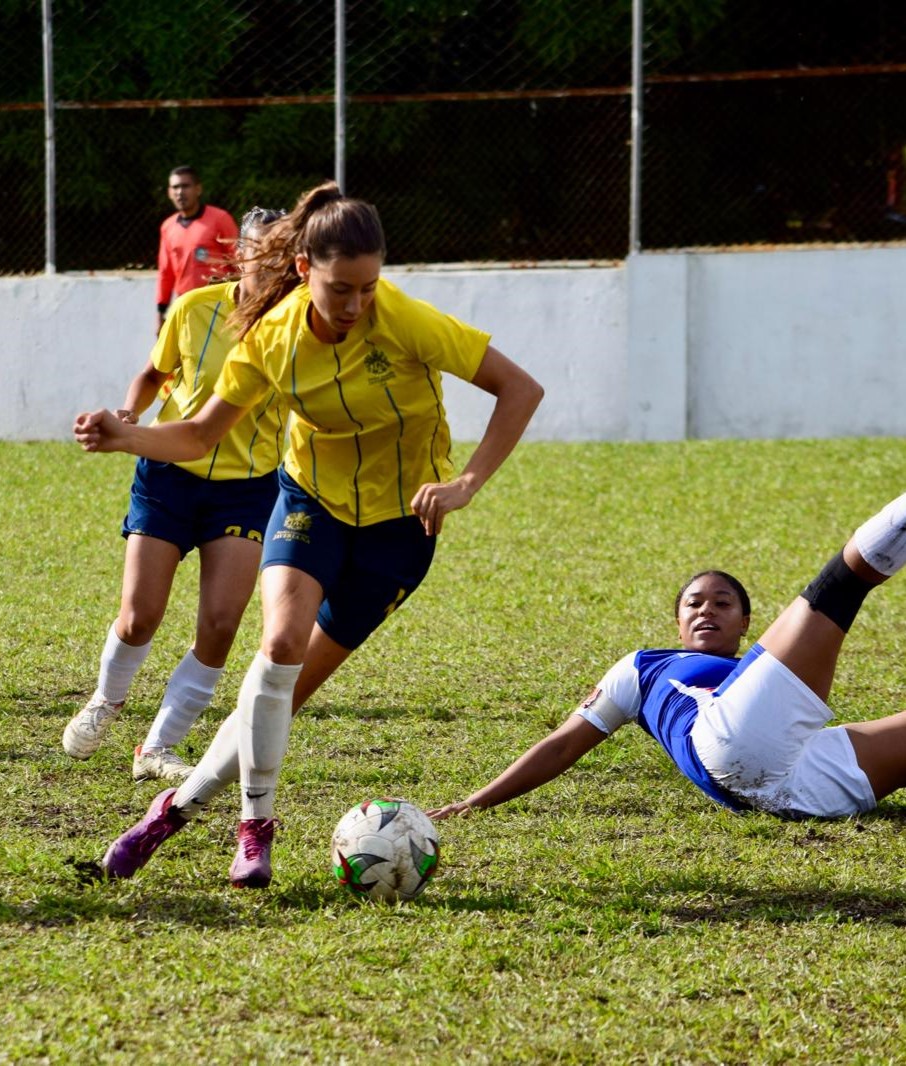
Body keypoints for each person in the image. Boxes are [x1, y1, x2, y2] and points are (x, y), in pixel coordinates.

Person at [74, 180, 545, 888]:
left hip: (399, 531)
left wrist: (465, 482)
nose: (356, 305)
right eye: (339, 289)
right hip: (311, 503)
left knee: (280, 694)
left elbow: (521, 388)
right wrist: (125, 437)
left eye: (368, 287)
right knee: (278, 645)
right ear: (303, 271)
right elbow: (202, 432)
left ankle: (167, 813)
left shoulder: (408, 322)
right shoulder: (271, 337)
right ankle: (254, 828)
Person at [428, 491, 906, 824]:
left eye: (723, 604)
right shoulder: (642, 668)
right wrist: (474, 802)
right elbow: (561, 746)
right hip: (730, 750)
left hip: (807, 797)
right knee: (841, 582)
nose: (706, 611)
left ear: (746, 625)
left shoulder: (762, 680)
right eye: (694, 603)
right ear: (677, 623)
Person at [63, 208, 287, 784]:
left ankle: (157, 746)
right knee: (140, 617)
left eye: (287, 258)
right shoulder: (193, 310)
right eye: (265, 256)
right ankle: (106, 701)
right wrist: (130, 412)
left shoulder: (299, 327)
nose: (276, 269)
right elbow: (152, 374)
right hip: (167, 474)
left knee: (219, 625)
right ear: (242, 255)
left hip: (246, 489)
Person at [156, 165, 239, 334]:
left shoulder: (220, 219)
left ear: (198, 189)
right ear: (169, 192)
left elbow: (239, 261)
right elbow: (166, 273)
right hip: (186, 306)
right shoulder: (168, 226)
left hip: (219, 306)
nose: (180, 192)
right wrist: (161, 311)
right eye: (175, 187)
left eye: (185, 186)